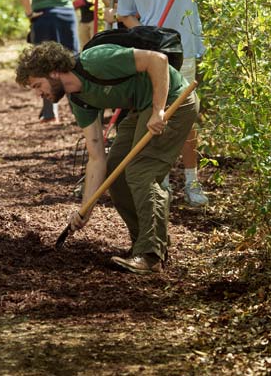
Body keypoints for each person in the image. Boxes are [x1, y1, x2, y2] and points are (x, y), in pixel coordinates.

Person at [15, 40, 198, 274]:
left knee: (141, 171)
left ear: (53, 72)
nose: (39, 94)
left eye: (37, 85)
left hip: (173, 100)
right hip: (142, 109)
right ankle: (144, 243)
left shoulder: (96, 61)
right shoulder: (79, 100)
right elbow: (96, 157)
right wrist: (85, 210)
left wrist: (158, 110)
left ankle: (151, 255)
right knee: (116, 172)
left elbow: (157, 60)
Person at [108, 0, 228, 208]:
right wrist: (145, 34)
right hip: (153, 56)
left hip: (183, 50)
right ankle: (159, 181)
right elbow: (125, 14)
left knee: (185, 118)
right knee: (155, 115)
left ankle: (192, 181)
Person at [19, 0, 79, 122]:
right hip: (68, 16)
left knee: (43, 63)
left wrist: (29, 14)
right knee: (72, 60)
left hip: (45, 17)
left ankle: (49, 111)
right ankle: (78, 110)